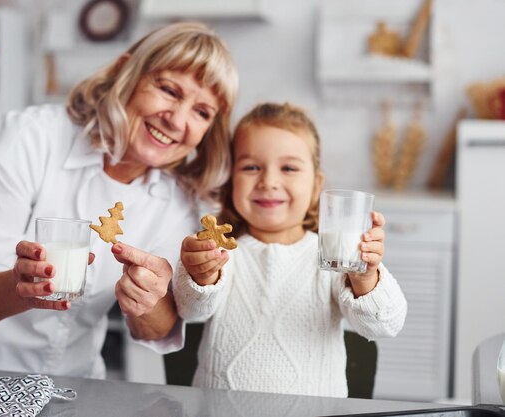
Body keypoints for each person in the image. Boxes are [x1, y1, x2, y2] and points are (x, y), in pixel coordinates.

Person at [0, 22, 238, 379]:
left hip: (69, 379)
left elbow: (154, 329)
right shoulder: (29, 138)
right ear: (126, 71)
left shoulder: (176, 200)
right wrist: (24, 287)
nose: (178, 120)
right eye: (168, 90)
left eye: (202, 112)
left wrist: (147, 301)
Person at [173, 102, 407, 397]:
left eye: (289, 168)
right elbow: (190, 310)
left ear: (315, 185)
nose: (269, 182)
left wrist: (364, 276)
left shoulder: (337, 259)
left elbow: (385, 324)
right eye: (251, 167)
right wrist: (200, 275)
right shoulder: (221, 253)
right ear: (231, 179)